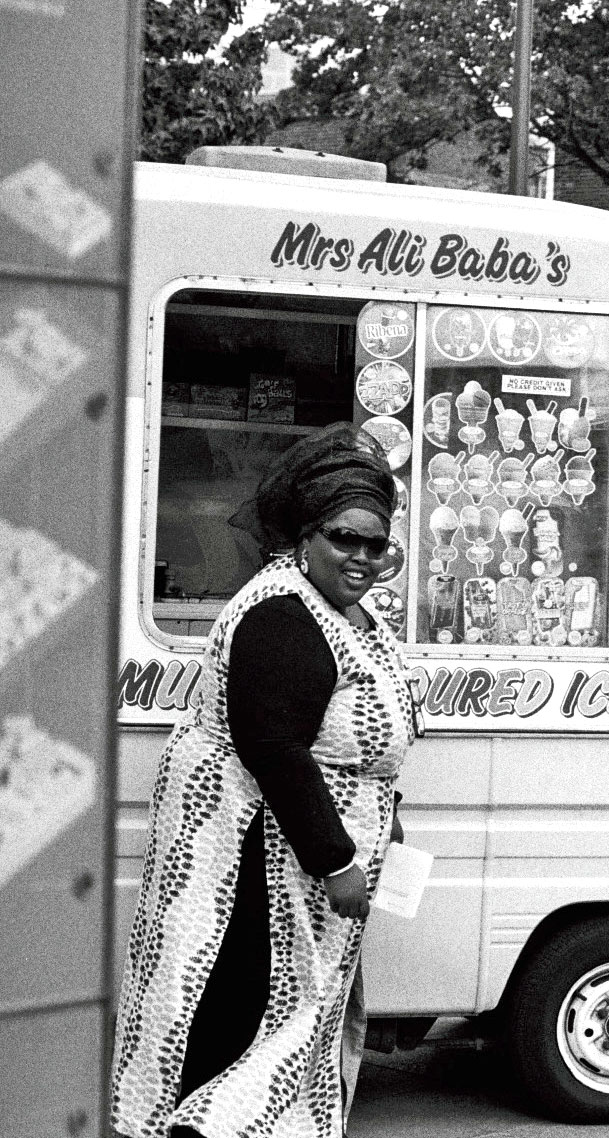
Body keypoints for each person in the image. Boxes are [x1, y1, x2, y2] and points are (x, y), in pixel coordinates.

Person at [112, 425, 417, 1138]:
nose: (364, 558)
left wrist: (384, 813)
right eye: (347, 538)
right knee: (242, 1008)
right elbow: (274, 747)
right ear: (306, 536)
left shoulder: (335, 609)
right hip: (247, 860)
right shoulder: (281, 614)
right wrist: (338, 859)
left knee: (274, 1012)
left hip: (292, 851)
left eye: (379, 547)